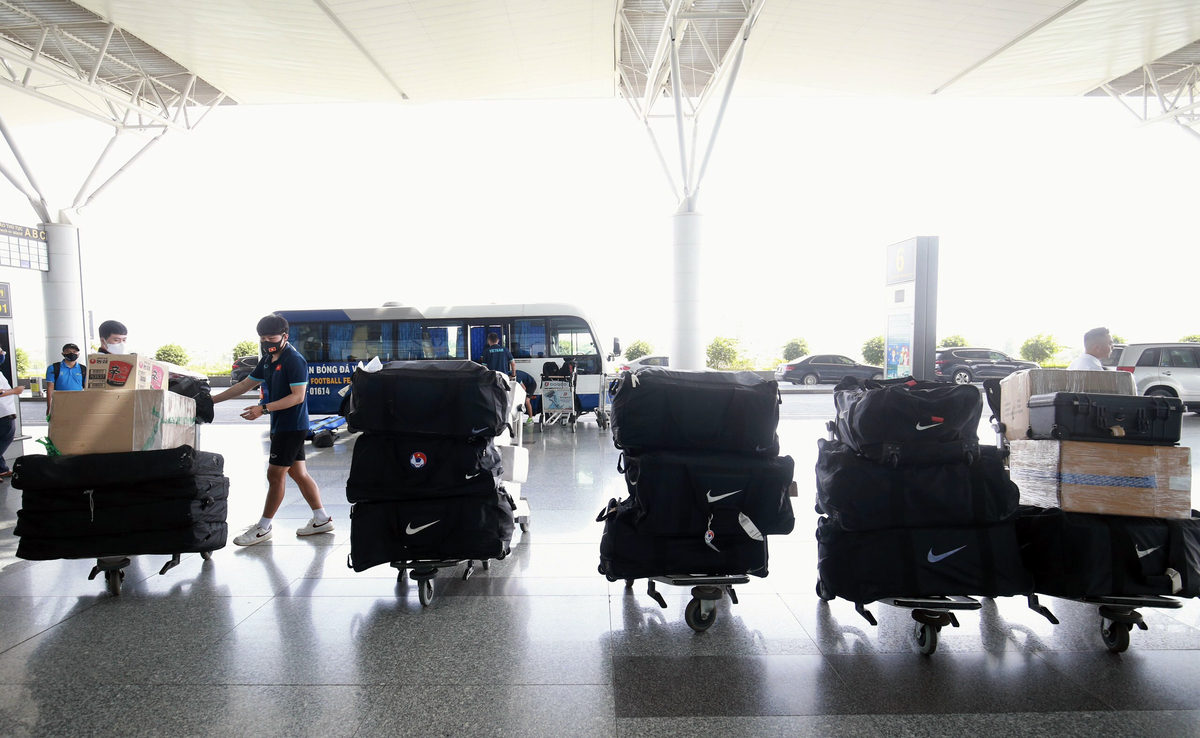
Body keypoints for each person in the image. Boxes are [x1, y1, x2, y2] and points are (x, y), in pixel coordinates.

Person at [211, 314, 333, 545]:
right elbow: (246, 384)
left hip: (291, 426)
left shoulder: (293, 360)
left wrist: (263, 408)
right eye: (263, 338)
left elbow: (297, 397)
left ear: (285, 336)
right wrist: (211, 401)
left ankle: (264, 527)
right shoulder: (268, 359)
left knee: (275, 475)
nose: (267, 341)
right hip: (282, 425)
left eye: (272, 337)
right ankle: (321, 518)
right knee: (298, 473)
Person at [0, 346, 26, 479]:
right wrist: (16, 390)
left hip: (3, 412)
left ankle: (2, 469)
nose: (2, 354)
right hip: (3, 413)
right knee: (5, 439)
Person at [45, 342, 85, 418]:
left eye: (74, 352)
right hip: (60, 403)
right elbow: (50, 388)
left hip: (78, 403)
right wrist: (49, 407)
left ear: (78, 354)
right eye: (69, 352)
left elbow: (87, 388)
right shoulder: (54, 368)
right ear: (63, 354)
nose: (72, 353)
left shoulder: (83, 369)